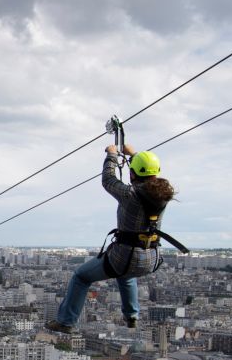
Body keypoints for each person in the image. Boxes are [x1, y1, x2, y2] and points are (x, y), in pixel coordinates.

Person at [46, 143, 177, 333]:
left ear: (133, 174)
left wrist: (112, 154)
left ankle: (66, 322)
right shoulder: (163, 196)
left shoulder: (129, 194)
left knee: (81, 277)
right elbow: (147, 176)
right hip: (151, 258)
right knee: (126, 274)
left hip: (124, 257)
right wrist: (133, 154)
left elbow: (108, 179)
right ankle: (132, 316)